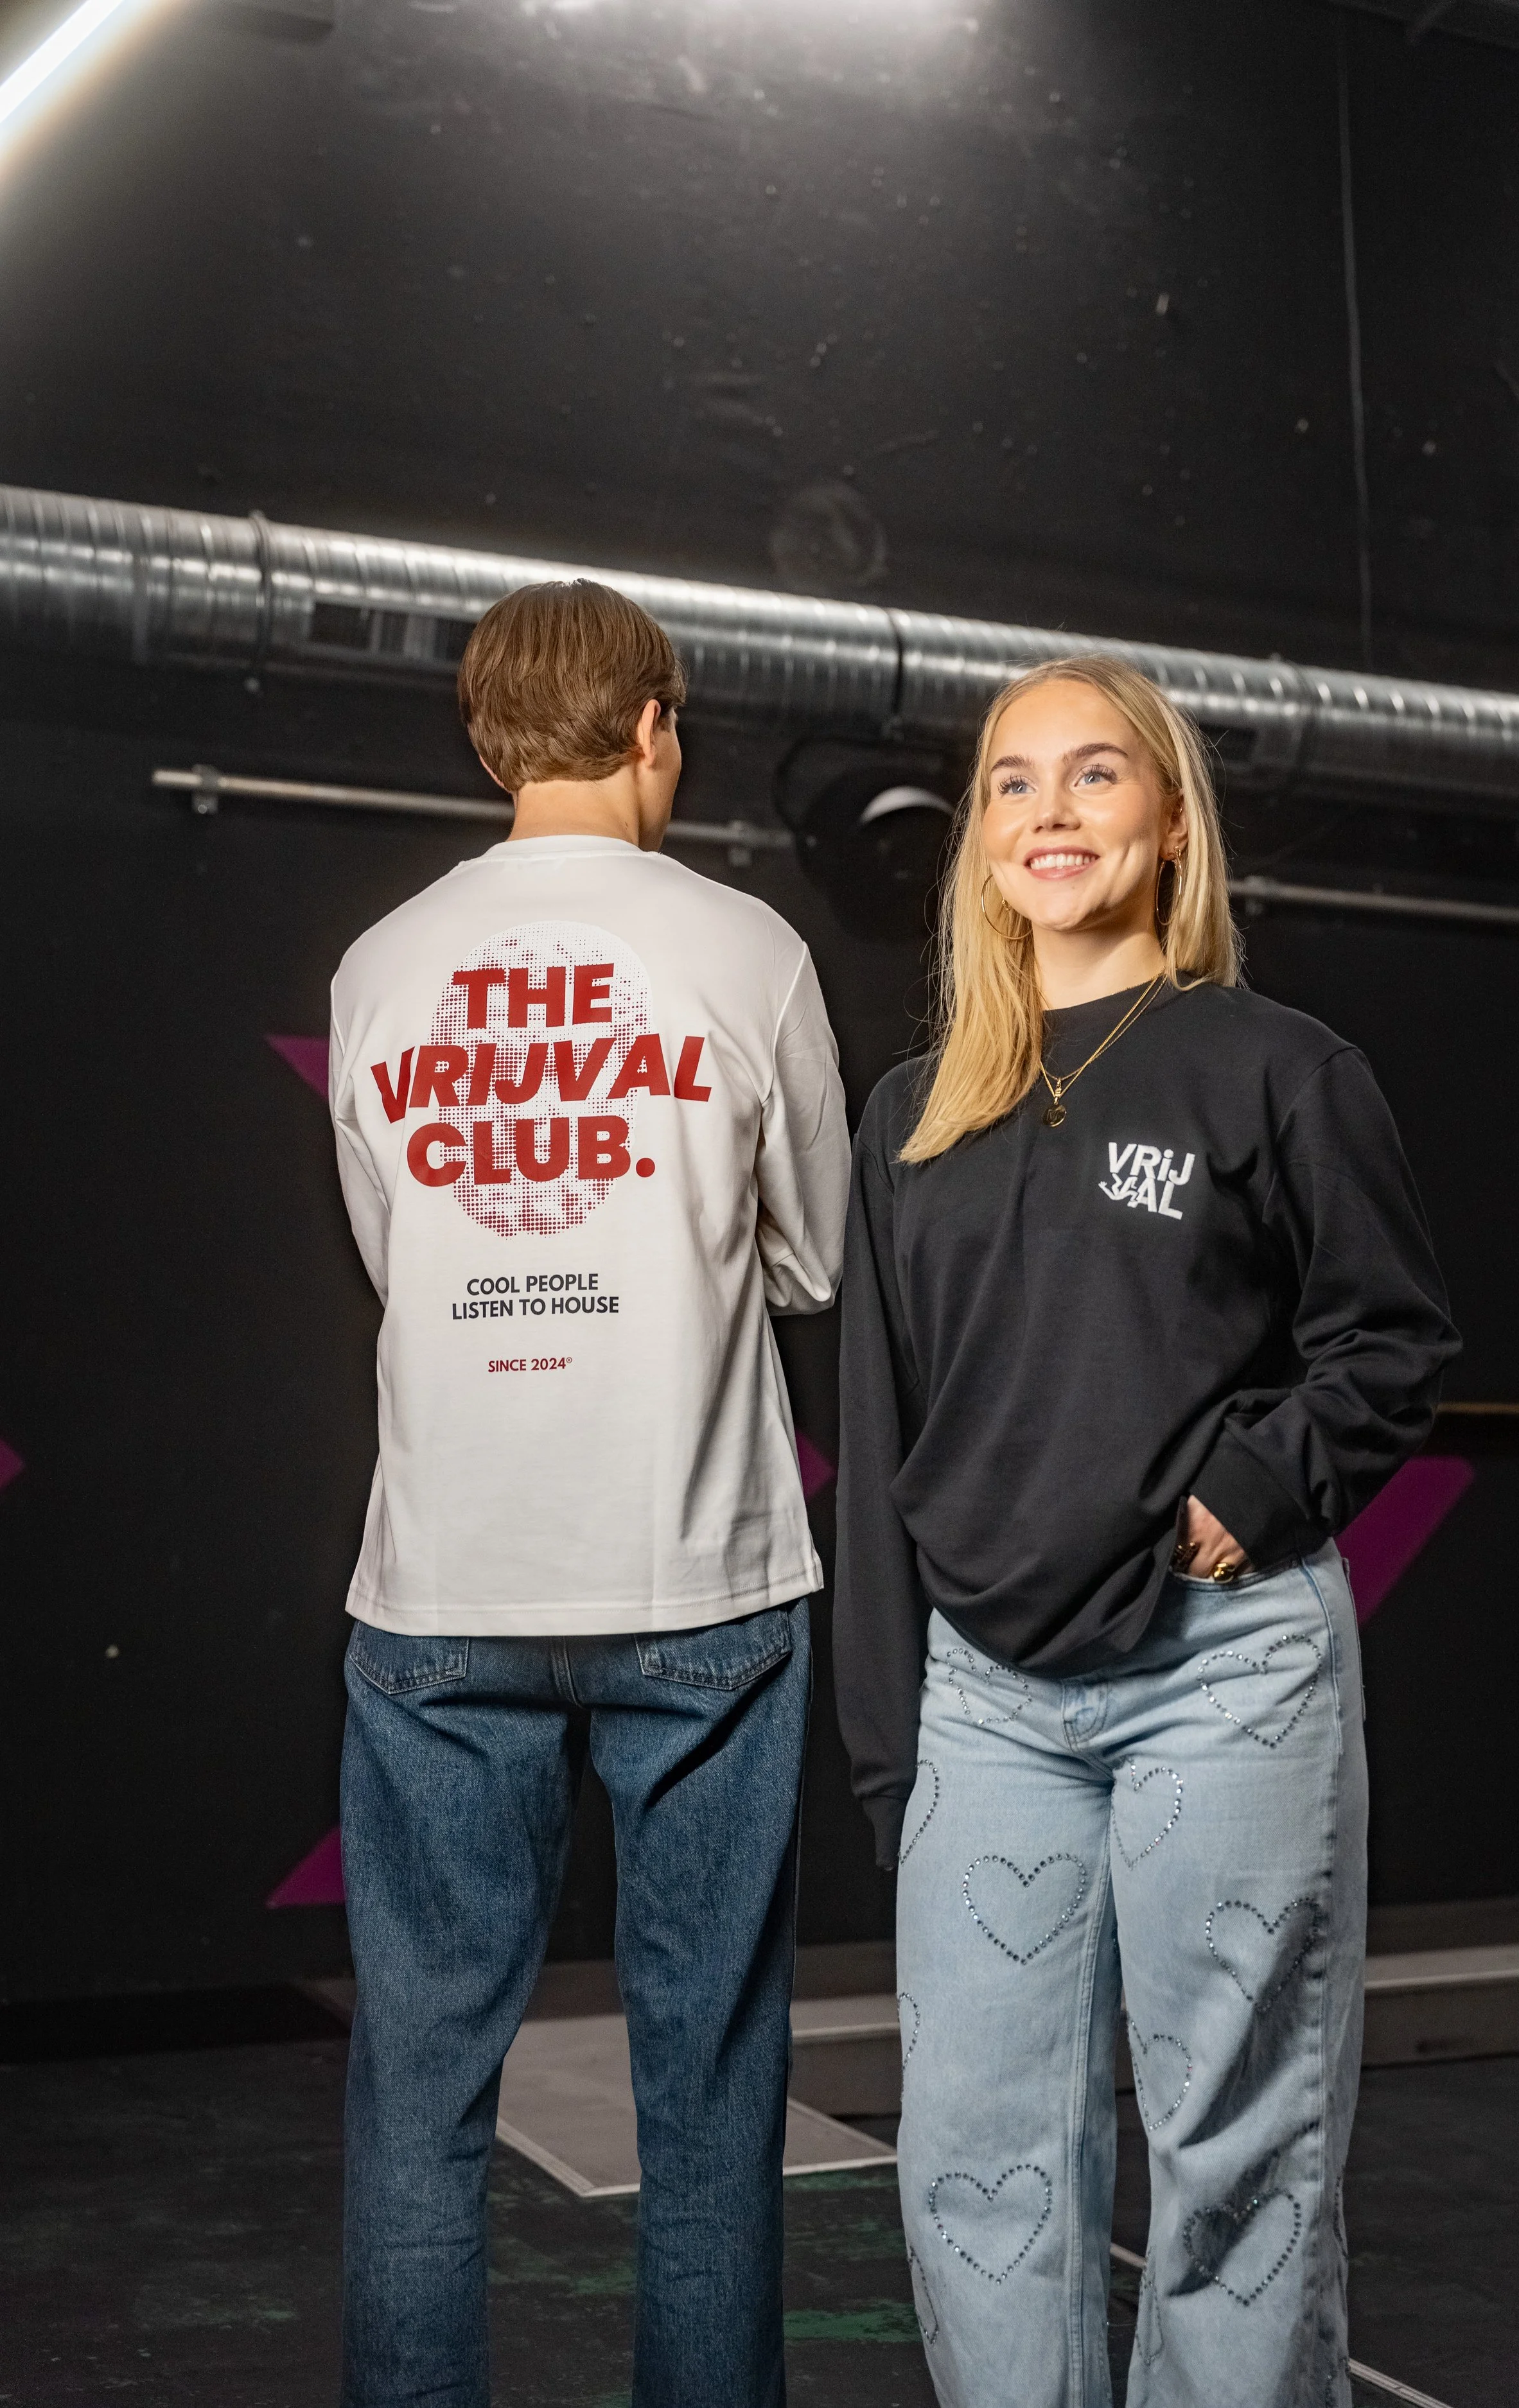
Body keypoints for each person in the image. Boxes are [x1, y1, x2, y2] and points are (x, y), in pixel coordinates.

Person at [833, 656, 1457, 2408]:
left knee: (1232, 2151)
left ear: (1167, 824)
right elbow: (882, 1443)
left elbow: (1392, 1339)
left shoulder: (1272, 1065)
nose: (1050, 812)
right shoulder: (909, 1118)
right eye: (1013, 783)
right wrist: (890, 1755)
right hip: (982, 1706)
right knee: (973, 2166)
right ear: (975, 842)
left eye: (1094, 775)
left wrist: (1248, 1491)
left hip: (1223, 1675)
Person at [328, 579, 849, 2408]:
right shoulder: (745, 950)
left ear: (487, 744)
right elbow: (810, 1263)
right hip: (697, 1586)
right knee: (707, 2088)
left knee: (419, 2087)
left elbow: (398, 1255)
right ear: (655, 726)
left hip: (442, 1594)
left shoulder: (381, 969)